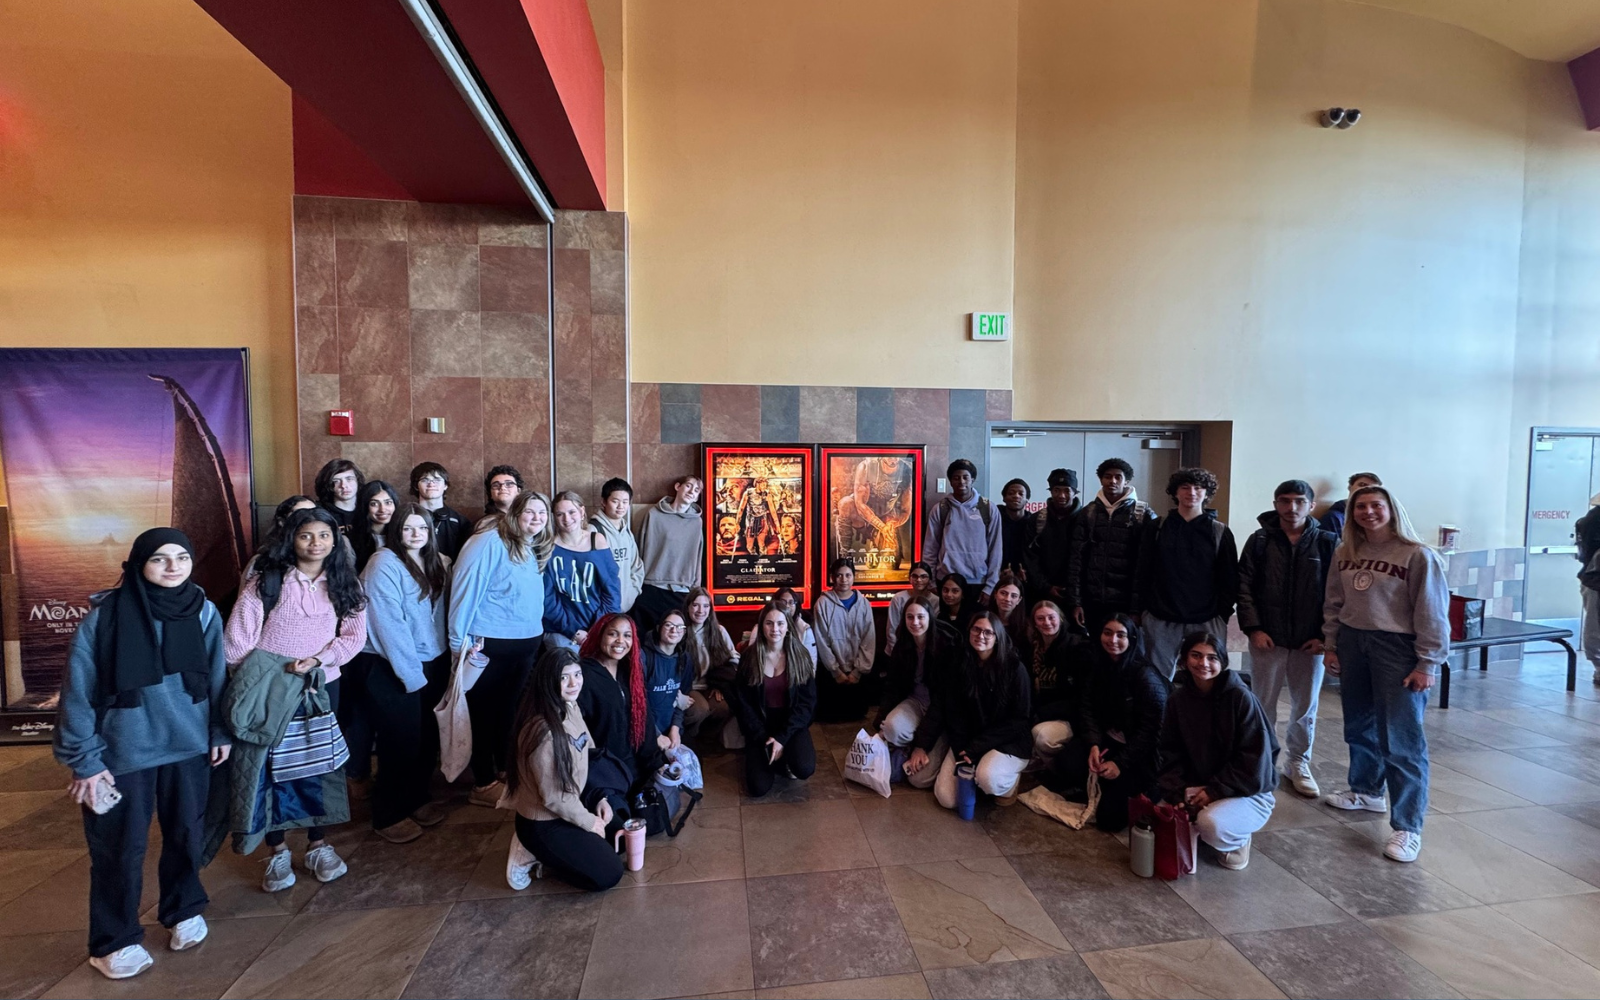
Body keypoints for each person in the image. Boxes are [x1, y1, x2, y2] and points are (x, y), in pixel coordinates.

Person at [55, 529, 230, 980]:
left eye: (181, 557)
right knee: (119, 849)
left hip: (188, 747)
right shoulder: (104, 618)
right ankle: (113, 940)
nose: (173, 567)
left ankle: (183, 907)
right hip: (122, 754)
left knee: (187, 835)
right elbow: (77, 692)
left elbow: (215, 678)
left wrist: (218, 731)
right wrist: (86, 760)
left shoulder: (203, 610)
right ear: (138, 565)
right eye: (159, 559)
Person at [223, 507, 368, 891]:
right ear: (292, 539)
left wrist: (321, 659)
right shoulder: (267, 581)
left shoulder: (344, 582)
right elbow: (238, 638)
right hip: (270, 687)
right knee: (270, 766)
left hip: (321, 684)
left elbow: (354, 636)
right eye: (306, 535)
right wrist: (253, 681)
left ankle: (318, 844)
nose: (315, 543)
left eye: (323, 535)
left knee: (317, 765)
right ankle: (276, 851)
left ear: (335, 541)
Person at [1321, 484, 1448, 864]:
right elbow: (1334, 601)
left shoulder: (1418, 555)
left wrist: (1428, 662)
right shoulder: (1345, 552)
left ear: (1391, 509)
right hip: (1353, 641)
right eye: (1361, 506)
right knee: (1358, 724)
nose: (1368, 512)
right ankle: (1366, 791)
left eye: (1376, 505)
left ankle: (1408, 826)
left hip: (1397, 647)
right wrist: (1331, 643)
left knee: (1401, 739)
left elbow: (1432, 611)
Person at [357, 504, 452, 842]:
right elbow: (388, 627)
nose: (415, 535)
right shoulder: (383, 563)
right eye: (408, 528)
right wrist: (411, 676)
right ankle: (388, 814)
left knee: (425, 739)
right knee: (400, 741)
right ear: (396, 530)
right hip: (390, 666)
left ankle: (417, 798)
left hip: (431, 661)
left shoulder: (434, 562)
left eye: (422, 529)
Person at [448, 490, 549, 807]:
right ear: (515, 513)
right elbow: (464, 588)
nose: (536, 518)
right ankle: (482, 782)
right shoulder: (489, 541)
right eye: (530, 512)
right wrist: (457, 642)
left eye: (542, 514)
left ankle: (504, 770)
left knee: (507, 712)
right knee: (481, 713)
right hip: (488, 645)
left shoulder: (530, 547)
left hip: (523, 645)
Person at [1236, 479, 1336, 798]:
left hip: (1311, 643)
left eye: (1298, 501)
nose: (1291, 507)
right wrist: (1254, 629)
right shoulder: (1260, 541)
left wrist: (1325, 636)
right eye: (1284, 501)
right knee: (1263, 704)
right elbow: (1244, 587)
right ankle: (1264, 762)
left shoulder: (1327, 542)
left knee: (1305, 706)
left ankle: (1298, 762)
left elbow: (1336, 594)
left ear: (1310, 504)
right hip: (1268, 639)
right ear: (1275, 503)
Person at [1156, 632, 1276, 871]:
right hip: (1200, 785)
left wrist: (1215, 791)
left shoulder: (1241, 698)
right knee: (1161, 813)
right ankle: (1205, 820)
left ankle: (1238, 840)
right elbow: (1169, 753)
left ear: (1222, 662)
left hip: (1247, 789)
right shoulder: (1177, 700)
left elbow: (1255, 760)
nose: (1203, 664)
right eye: (1196, 656)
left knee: (1211, 824)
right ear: (1184, 659)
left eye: (1212, 658)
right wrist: (1179, 792)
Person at [504, 654, 623, 892]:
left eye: (577, 675)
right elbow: (554, 797)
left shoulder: (570, 706)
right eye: (564, 677)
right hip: (544, 821)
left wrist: (599, 797)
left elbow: (588, 752)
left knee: (619, 832)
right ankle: (530, 852)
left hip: (571, 800)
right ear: (548, 681)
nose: (574, 683)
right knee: (609, 874)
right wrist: (589, 822)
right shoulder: (543, 731)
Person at [1047, 613, 1167, 832]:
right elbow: (1087, 707)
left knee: (1109, 821)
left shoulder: (1145, 677)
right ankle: (1101, 783)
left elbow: (1151, 732)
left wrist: (1120, 763)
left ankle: (1144, 789)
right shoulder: (1099, 665)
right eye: (1107, 633)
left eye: (1120, 635)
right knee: (1066, 763)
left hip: (1140, 753)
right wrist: (1093, 743)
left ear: (1132, 639)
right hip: (1107, 742)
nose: (1112, 640)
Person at [1135, 467, 1238, 678]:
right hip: (1160, 616)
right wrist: (1142, 610)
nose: (1191, 492)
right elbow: (1142, 570)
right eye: (1185, 487)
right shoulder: (1157, 527)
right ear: (1175, 493)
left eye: (1198, 488)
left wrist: (1222, 613)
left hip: (1207, 616)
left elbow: (1229, 576)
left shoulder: (1219, 531)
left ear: (1207, 493)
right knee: (1157, 678)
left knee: (1208, 676)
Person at [932, 611, 1033, 809]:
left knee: (988, 779)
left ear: (998, 637)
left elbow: (1020, 718)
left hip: (1006, 741)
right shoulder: (960, 663)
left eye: (988, 632)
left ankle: (1007, 783)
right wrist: (963, 748)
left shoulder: (1014, 668)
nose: (981, 636)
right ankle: (978, 775)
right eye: (976, 630)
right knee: (946, 798)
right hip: (969, 740)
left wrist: (976, 748)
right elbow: (954, 712)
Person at [575, 614, 667, 825]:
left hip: (634, 764)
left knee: (656, 819)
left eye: (627, 636)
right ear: (599, 635)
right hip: (603, 771)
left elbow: (643, 718)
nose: (620, 641)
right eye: (613, 634)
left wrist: (656, 763)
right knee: (617, 831)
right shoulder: (583, 674)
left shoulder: (630, 670)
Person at [731, 602, 818, 798]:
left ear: (788, 626)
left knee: (804, 768)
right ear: (762, 626)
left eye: (780, 623)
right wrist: (764, 738)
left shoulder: (800, 656)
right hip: (760, 727)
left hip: (790, 725)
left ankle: (783, 752)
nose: (775, 629)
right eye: (769, 623)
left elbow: (807, 705)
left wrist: (782, 738)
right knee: (758, 788)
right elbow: (743, 705)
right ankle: (772, 756)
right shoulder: (749, 657)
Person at [1067, 458, 1156, 631]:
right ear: (1101, 479)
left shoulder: (1142, 513)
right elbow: (1076, 560)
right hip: (1092, 601)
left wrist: (1137, 608)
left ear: (1127, 480)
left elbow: (1146, 565)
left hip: (1126, 603)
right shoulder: (1089, 512)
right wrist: (1075, 602)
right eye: (1107, 476)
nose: (1112, 481)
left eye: (1118, 477)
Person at [875, 595, 951, 791]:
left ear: (930, 618)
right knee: (890, 728)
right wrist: (881, 724)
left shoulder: (946, 647)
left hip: (942, 715)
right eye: (910, 617)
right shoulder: (904, 644)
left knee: (920, 780)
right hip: (915, 702)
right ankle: (907, 744)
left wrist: (922, 746)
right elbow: (893, 686)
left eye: (920, 617)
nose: (915, 622)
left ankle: (925, 746)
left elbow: (942, 702)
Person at [543, 491, 621, 649]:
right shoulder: (548, 548)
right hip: (561, 630)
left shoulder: (597, 540)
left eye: (571, 512)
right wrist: (573, 631)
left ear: (581, 512)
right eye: (560, 514)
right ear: (554, 517)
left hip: (599, 626)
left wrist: (598, 627)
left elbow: (611, 589)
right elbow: (547, 597)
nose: (567, 519)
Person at [924, 459, 1003, 607]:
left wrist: (991, 585)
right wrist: (932, 582)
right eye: (956, 478)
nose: (961, 481)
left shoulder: (988, 509)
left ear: (972, 479)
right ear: (951, 481)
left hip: (978, 582)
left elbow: (996, 549)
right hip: (947, 581)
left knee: (975, 626)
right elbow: (930, 548)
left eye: (965, 477)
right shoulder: (940, 509)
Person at [635, 475, 705, 631]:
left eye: (696, 490)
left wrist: (696, 588)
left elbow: (698, 555)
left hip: (681, 590)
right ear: (677, 487)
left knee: (675, 640)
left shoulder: (696, 522)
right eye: (688, 486)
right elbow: (640, 548)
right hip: (652, 585)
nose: (691, 491)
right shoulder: (654, 514)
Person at [812, 557, 877, 722]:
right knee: (832, 717)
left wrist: (857, 671)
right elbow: (821, 640)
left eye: (848, 575)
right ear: (832, 577)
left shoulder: (864, 604)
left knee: (857, 716)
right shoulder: (823, 603)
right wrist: (836, 671)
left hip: (857, 673)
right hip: (832, 672)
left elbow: (868, 639)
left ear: (854, 576)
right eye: (839, 575)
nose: (844, 580)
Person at [1024, 600, 1083, 761]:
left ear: (1061, 618)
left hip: (1070, 716)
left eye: (1051, 617)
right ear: (1034, 623)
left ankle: (1055, 767)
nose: (1047, 623)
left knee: (1040, 736)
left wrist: (1042, 713)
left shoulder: (1077, 646)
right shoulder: (1032, 648)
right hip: (1042, 712)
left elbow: (1081, 697)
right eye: (1040, 618)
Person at [836, 455, 916, 569]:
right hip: (862, 515)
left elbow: (905, 511)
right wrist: (881, 527)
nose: (893, 458)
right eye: (889, 455)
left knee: (892, 565)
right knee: (845, 504)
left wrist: (892, 525)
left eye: (896, 454)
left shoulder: (906, 470)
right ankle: (845, 555)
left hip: (886, 514)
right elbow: (860, 504)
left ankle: (876, 542)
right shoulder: (866, 466)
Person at [681, 586, 740, 736]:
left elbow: (734, 658)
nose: (701, 610)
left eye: (706, 606)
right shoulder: (681, 631)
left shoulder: (719, 630)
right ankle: (690, 738)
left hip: (712, 684)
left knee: (724, 707)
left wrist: (721, 684)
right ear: (687, 607)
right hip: (689, 686)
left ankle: (709, 738)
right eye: (695, 605)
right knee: (700, 710)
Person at [1024, 469, 1081, 610]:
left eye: (1067, 490)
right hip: (1042, 593)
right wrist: (1046, 587)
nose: (1061, 495)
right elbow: (1029, 558)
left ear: (1074, 492)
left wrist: (1074, 591)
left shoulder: (1086, 520)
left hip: (1077, 596)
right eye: (1056, 490)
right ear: (1050, 492)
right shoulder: (1037, 519)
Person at [591, 477, 645, 613]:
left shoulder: (627, 531)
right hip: (600, 608)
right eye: (615, 501)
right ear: (603, 502)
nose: (621, 506)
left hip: (626, 606)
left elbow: (636, 565)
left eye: (625, 502)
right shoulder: (593, 530)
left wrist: (633, 591)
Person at [643, 609, 693, 749]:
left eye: (679, 627)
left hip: (671, 727)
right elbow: (638, 702)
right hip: (647, 729)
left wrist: (675, 729)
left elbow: (681, 699)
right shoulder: (644, 657)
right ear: (659, 628)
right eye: (669, 625)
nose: (674, 630)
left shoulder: (685, 659)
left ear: (684, 633)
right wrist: (656, 734)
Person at [410, 462, 469, 561]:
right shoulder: (406, 518)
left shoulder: (461, 522)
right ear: (416, 486)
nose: (431, 484)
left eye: (437, 480)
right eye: (425, 480)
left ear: (445, 485)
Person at [884, 561, 936, 657]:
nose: (919, 580)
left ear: (930, 579)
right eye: (915, 576)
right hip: (899, 649)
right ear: (909, 578)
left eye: (923, 576)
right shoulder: (899, 598)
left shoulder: (935, 600)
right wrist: (896, 654)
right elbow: (892, 629)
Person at [351, 479, 401, 573]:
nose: (382, 509)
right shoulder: (352, 539)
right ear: (365, 507)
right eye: (374, 504)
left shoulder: (403, 535)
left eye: (388, 502)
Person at [1318, 472, 1382, 537]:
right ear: (1350, 487)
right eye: (1362, 485)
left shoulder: (1379, 517)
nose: (1366, 490)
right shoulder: (1334, 518)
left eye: (1373, 488)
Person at [313, 458, 364, 534]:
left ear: (357, 480)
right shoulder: (319, 513)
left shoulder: (368, 509)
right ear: (328, 485)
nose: (343, 486)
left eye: (349, 479)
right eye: (336, 481)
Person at [999, 478, 1035, 581]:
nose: (1016, 496)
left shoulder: (1033, 523)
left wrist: (1028, 572)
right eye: (1011, 493)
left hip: (1026, 579)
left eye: (1021, 494)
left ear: (1027, 499)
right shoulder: (995, 519)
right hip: (997, 577)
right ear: (1004, 498)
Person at [773, 586, 818, 662]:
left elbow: (811, 660)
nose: (787, 606)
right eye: (783, 602)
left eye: (791, 602)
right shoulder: (765, 626)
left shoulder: (805, 629)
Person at [991, 571, 1029, 650]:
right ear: (995, 594)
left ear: (1019, 600)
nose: (1008, 599)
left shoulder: (1026, 627)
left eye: (1014, 596)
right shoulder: (984, 620)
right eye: (1003, 593)